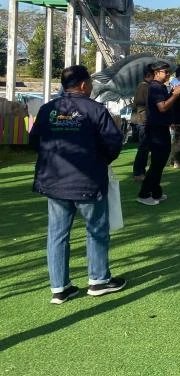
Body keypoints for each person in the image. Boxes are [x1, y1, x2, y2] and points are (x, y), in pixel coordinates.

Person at [30, 65, 127, 304]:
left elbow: (35, 141)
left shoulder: (47, 110)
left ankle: (59, 288)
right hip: (87, 181)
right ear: (84, 85)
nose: (92, 87)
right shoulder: (96, 110)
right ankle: (98, 281)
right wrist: (100, 161)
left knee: (57, 234)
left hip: (54, 182)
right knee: (96, 231)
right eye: (90, 83)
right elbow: (113, 142)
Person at [138, 61, 180, 206]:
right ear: (156, 73)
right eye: (165, 72)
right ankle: (144, 194)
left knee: (160, 162)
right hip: (156, 129)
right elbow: (162, 107)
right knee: (157, 163)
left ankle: (156, 192)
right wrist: (175, 95)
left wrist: (172, 93)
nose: (168, 74)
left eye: (169, 72)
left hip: (161, 128)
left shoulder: (161, 87)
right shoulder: (155, 87)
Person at [130, 65, 154, 182]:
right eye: (154, 74)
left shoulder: (146, 86)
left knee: (145, 147)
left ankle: (141, 172)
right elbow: (141, 107)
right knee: (143, 148)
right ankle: (138, 173)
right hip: (142, 121)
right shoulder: (143, 87)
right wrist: (146, 121)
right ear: (149, 75)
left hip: (143, 121)